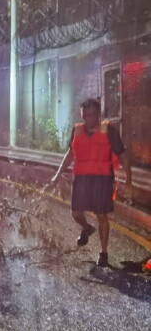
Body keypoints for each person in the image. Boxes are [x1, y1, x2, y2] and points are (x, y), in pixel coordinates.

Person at [52, 98, 133, 268]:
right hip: (81, 179)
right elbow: (70, 154)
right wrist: (58, 174)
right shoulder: (77, 130)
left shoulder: (109, 131)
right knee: (76, 213)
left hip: (102, 179)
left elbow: (123, 156)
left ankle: (103, 253)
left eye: (92, 115)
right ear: (82, 115)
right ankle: (87, 228)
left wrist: (128, 180)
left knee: (102, 216)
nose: (89, 119)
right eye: (85, 115)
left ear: (98, 114)